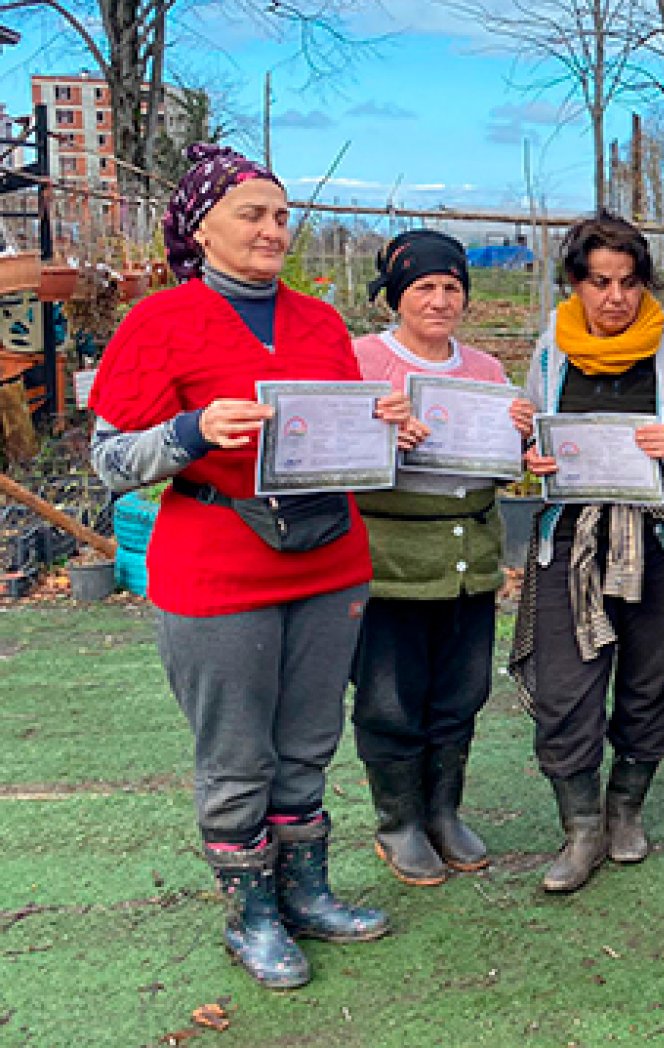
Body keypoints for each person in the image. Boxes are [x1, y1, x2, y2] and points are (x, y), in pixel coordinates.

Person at [87, 144, 419, 989]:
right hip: (217, 566)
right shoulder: (160, 322)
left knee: (307, 743)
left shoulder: (316, 322)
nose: (274, 228)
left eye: (280, 214)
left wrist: (384, 425)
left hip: (329, 558)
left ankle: (305, 892)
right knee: (238, 754)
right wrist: (193, 433)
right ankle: (252, 915)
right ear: (202, 228)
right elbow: (110, 460)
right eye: (253, 214)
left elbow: (341, 438)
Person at [509, 211, 664, 894]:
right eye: (598, 282)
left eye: (628, 282)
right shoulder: (551, 348)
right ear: (574, 283)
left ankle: (625, 810)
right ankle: (580, 828)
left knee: (648, 684)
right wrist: (531, 456)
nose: (614, 298)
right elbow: (533, 438)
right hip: (572, 541)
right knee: (564, 690)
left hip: (661, 539)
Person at [350, 230, 534, 886]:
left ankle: (443, 811)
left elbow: (507, 467)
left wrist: (523, 441)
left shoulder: (485, 372)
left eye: (451, 287)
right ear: (397, 295)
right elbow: (324, 446)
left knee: (460, 693)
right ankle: (397, 822)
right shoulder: (362, 361)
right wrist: (375, 430)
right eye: (423, 286)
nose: (439, 300)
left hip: (468, 561)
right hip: (392, 562)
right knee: (390, 700)